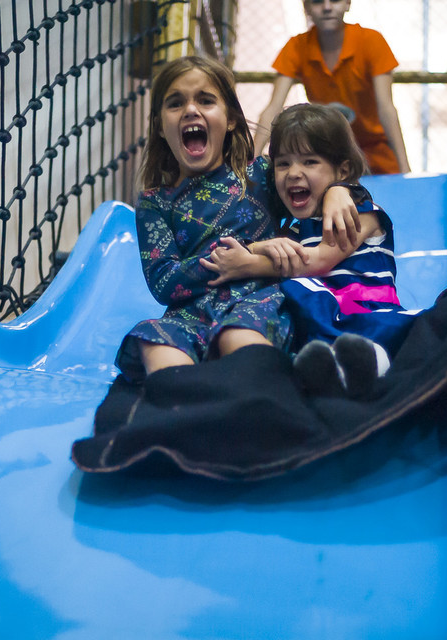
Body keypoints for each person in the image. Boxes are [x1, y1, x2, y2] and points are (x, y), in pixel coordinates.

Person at [119, 55, 363, 379]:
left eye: (205, 101)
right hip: (190, 313)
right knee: (153, 340)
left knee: (238, 334)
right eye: (176, 104)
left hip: (261, 300)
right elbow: (164, 282)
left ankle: (251, 394)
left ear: (231, 118)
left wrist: (339, 191)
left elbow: (311, 193)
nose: (191, 110)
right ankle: (180, 404)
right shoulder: (155, 203)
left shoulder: (260, 175)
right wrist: (250, 250)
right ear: (160, 127)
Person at [203, 104, 418, 398]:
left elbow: (317, 261)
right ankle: (325, 378)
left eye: (309, 162)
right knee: (304, 328)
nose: (294, 173)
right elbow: (275, 254)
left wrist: (247, 265)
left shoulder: (360, 214)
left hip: (367, 313)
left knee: (356, 337)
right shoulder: (292, 230)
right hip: (322, 319)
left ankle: (367, 370)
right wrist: (250, 249)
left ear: (341, 170)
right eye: (283, 163)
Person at [253, 0, 410, 175]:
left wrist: (405, 170)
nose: (327, 8)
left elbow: (386, 109)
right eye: (317, 2)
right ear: (307, 8)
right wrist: (250, 162)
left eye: (335, 0)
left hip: (375, 150)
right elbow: (273, 108)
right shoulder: (297, 46)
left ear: (348, 4)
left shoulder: (371, 41)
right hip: (327, 152)